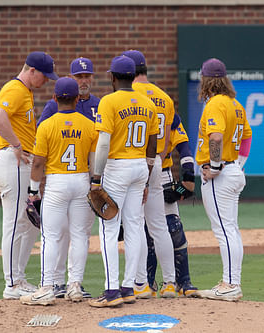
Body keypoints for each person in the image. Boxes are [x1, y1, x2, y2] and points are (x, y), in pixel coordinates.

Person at [19, 77, 99, 305]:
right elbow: (93, 161)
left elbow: (37, 163)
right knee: (80, 235)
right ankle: (75, 285)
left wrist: (33, 191)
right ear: (76, 99)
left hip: (57, 181)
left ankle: (46, 287)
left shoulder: (46, 125)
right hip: (81, 180)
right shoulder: (88, 125)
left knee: (51, 236)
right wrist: (95, 183)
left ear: (54, 98)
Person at [88, 55, 158, 308]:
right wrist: (147, 177)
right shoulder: (147, 103)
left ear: (113, 77)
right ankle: (129, 287)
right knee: (135, 225)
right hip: (140, 165)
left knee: (108, 228)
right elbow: (153, 144)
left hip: (117, 166)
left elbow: (104, 143)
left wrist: (96, 178)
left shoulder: (109, 101)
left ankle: (111, 291)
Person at [0, 51, 58, 300]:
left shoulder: (25, 92)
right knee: (14, 222)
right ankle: (11, 283)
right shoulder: (15, 88)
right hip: (12, 160)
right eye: (44, 76)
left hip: (22, 163)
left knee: (29, 222)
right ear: (32, 71)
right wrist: (16, 145)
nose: (47, 81)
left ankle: (19, 278)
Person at [37, 57, 100, 299]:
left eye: (87, 76)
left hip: (63, 179)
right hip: (80, 177)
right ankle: (62, 283)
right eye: (79, 77)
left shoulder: (98, 104)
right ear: (73, 83)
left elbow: (40, 151)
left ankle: (57, 285)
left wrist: (34, 188)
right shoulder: (55, 109)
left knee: (61, 235)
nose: (84, 80)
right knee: (69, 234)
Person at [195, 58, 252, 302]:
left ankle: (230, 284)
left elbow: (216, 138)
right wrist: (238, 165)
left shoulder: (215, 104)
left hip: (221, 174)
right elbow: (248, 137)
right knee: (231, 230)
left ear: (206, 80)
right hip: (233, 171)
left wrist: (217, 166)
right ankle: (232, 282)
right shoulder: (235, 104)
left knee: (224, 231)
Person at [121, 50, 177, 298]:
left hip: (135, 163)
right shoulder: (165, 97)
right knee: (159, 226)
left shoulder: (128, 95)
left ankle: (141, 284)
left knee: (135, 225)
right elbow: (164, 141)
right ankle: (170, 283)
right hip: (158, 163)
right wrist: (158, 163)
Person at [146, 113, 198, 297]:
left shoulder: (167, 113)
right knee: (144, 232)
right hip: (136, 173)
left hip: (164, 174)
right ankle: (147, 282)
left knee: (174, 228)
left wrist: (188, 180)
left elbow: (184, 147)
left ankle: (183, 281)